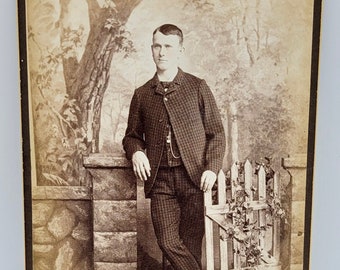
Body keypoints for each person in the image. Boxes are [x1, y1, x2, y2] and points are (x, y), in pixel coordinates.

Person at [123, 24, 226, 270]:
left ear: (180, 50)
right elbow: (131, 136)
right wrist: (136, 151)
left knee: (189, 246)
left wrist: (211, 168)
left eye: (168, 46)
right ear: (151, 50)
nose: (162, 52)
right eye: (157, 46)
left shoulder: (197, 86)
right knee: (168, 242)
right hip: (161, 181)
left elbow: (217, 134)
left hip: (194, 179)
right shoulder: (142, 94)